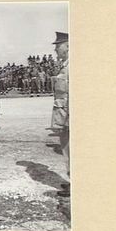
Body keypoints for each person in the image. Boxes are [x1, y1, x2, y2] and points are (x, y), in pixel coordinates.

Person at [51, 32, 70, 197]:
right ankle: (73, 181)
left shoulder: (72, 67)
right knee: (67, 149)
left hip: (69, 117)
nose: (56, 50)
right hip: (64, 116)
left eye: (58, 46)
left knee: (73, 149)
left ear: (68, 46)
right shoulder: (65, 66)